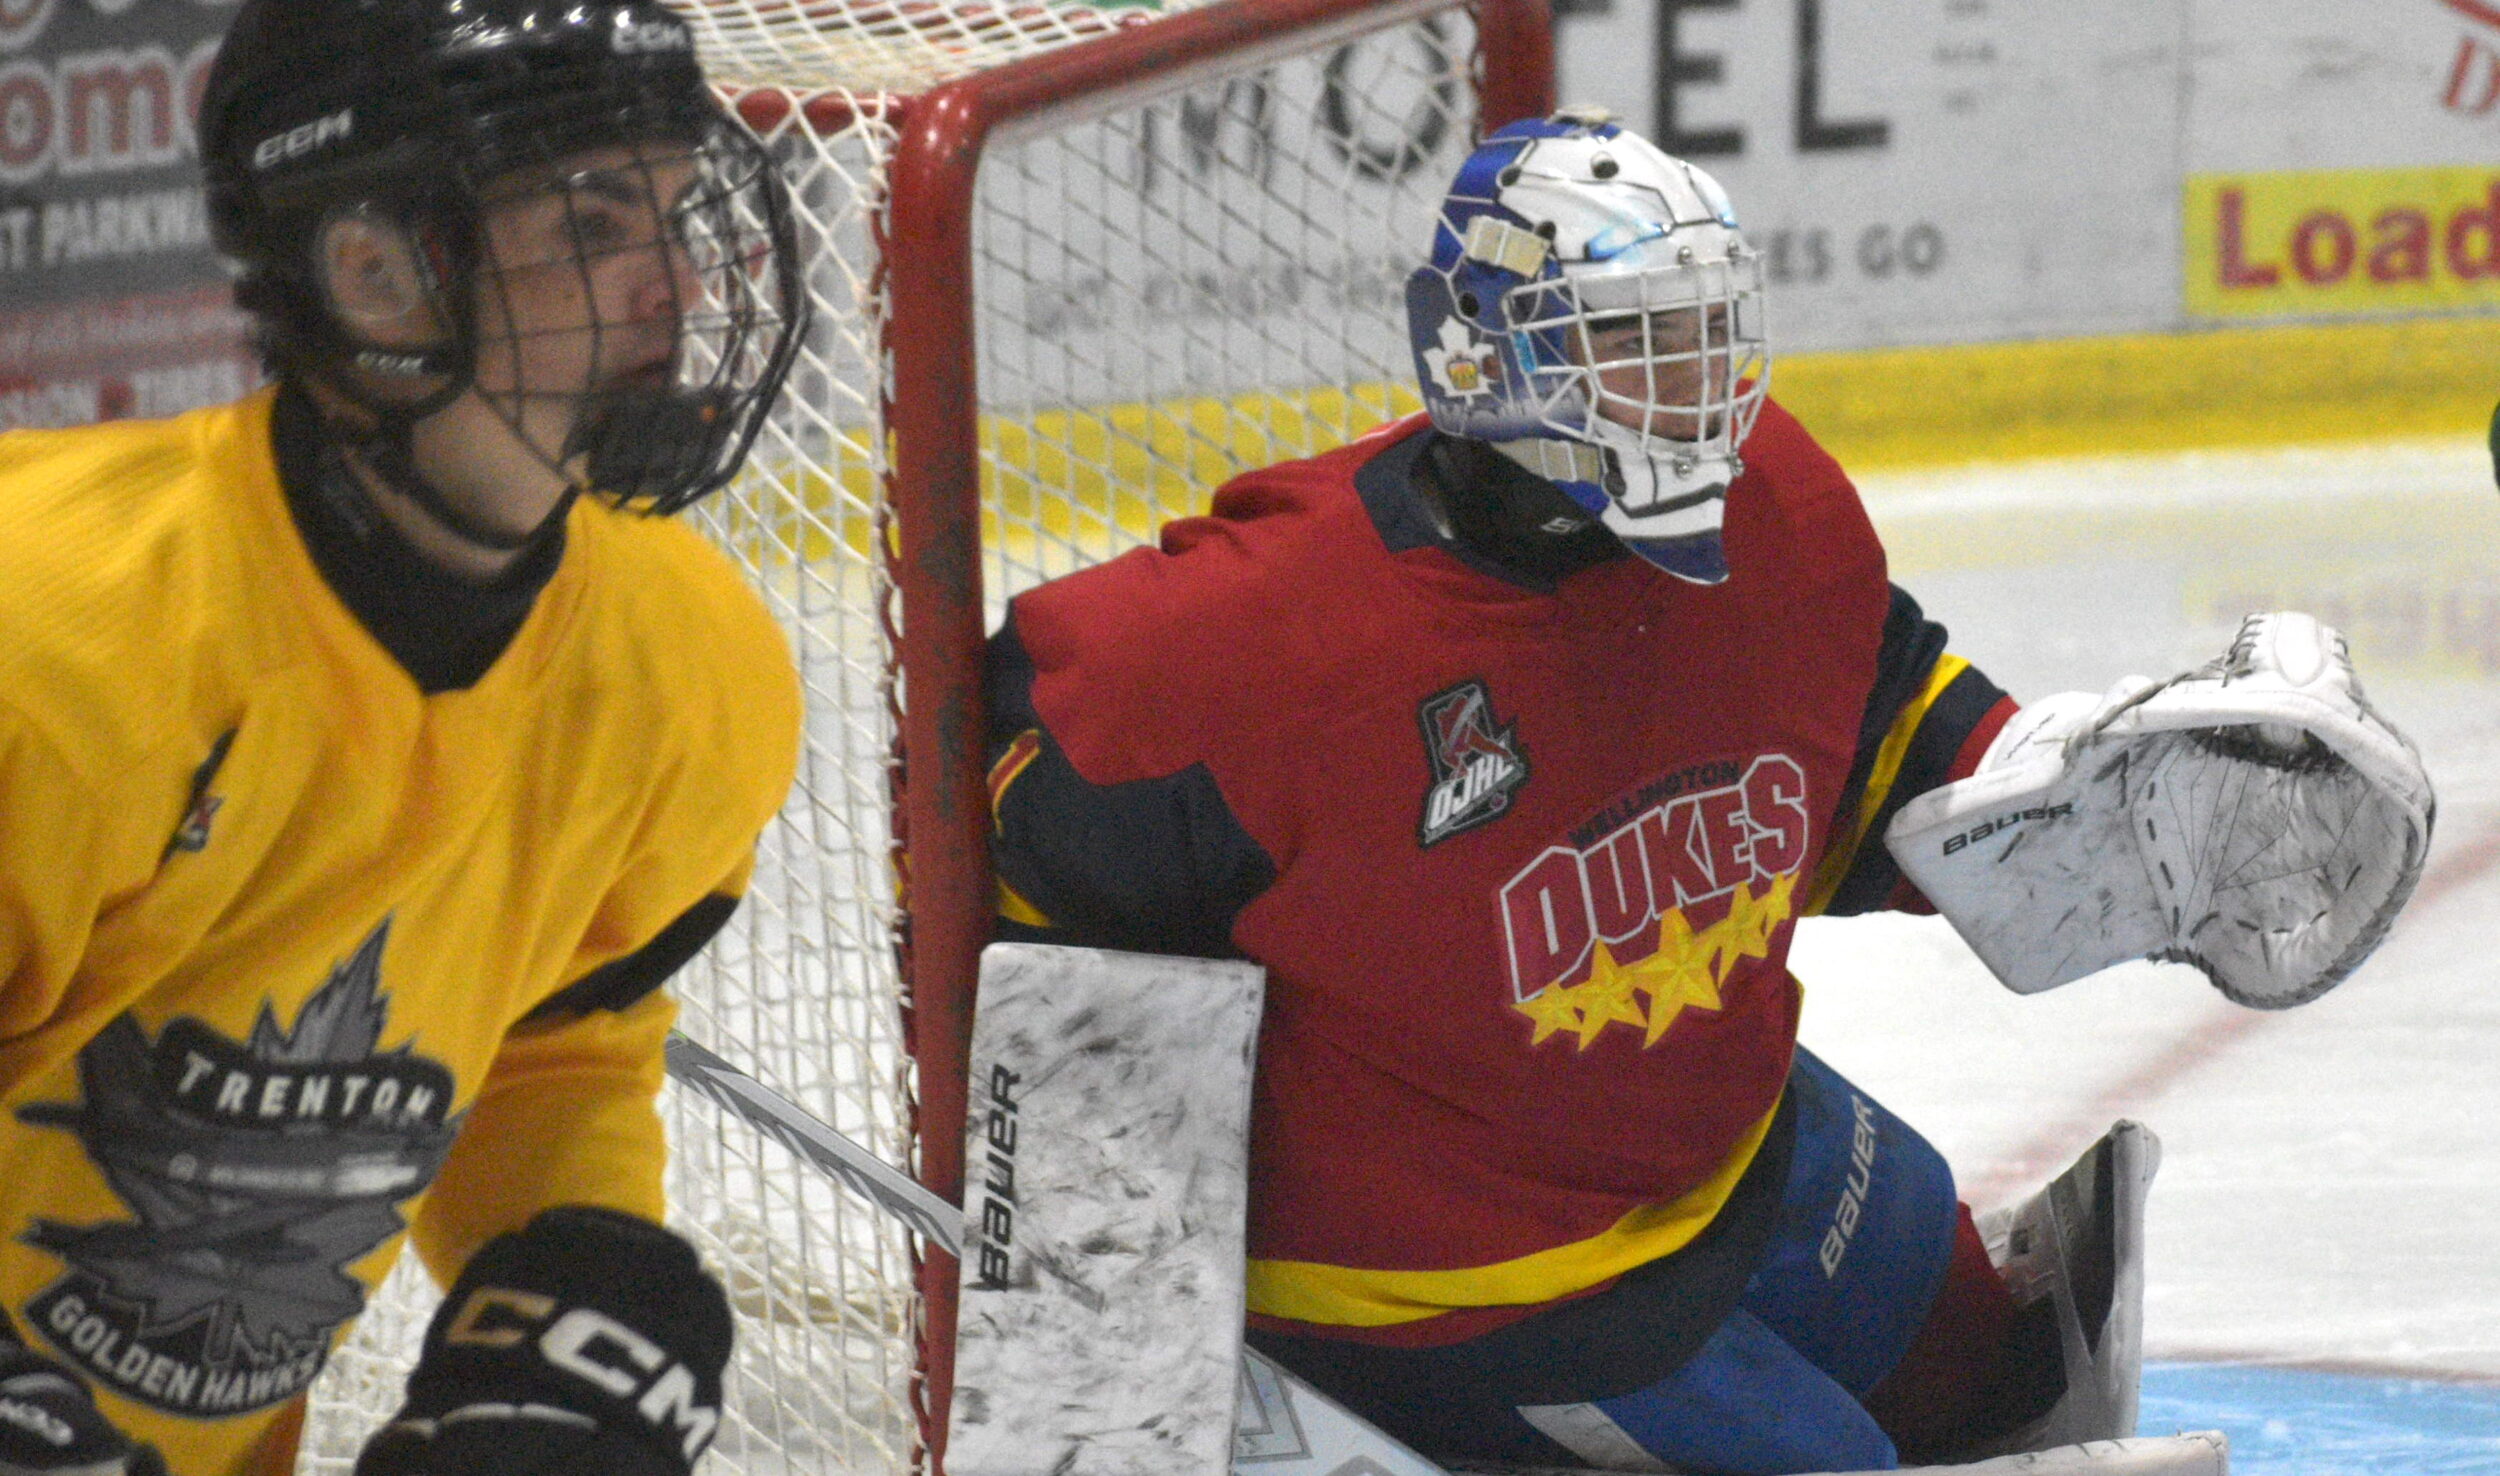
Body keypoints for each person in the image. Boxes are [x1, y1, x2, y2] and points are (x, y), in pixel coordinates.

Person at [984, 112, 2431, 1473]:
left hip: (1734, 1139)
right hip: (1465, 1288)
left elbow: (1866, 718)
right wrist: (1101, 1242)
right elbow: (1003, 832)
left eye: (1707, 342)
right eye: (1633, 351)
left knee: (2014, 1363)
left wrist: (2061, 798)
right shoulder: (1255, 647)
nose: (1699, 399)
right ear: (1483, 361)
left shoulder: (1777, 505)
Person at [0, 0, 808, 1471]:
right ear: (375, 274)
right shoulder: (57, 639)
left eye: (679, 212)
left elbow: (552, 1050)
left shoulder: (685, 673)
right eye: (592, 223)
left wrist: (567, 1309)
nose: (675, 287)